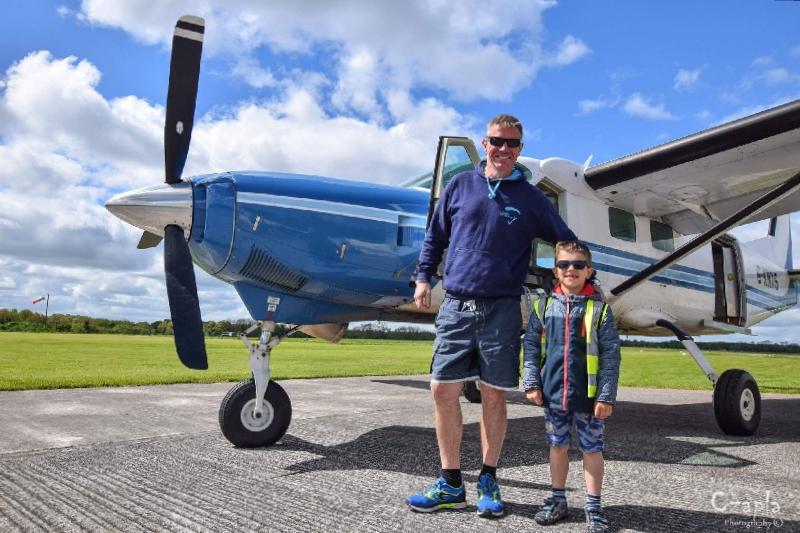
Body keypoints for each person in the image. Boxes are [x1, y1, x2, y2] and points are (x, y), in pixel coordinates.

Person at [407, 114, 577, 518]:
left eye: (512, 144)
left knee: (494, 395)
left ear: (520, 149)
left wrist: (579, 279)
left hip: (502, 308)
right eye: (496, 142)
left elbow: (567, 240)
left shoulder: (532, 198)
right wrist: (423, 277)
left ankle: (488, 478)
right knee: (441, 390)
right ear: (485, 144)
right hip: (456, 305)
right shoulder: (460, 185)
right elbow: (436, 235)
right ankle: (450, 483)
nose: (503, 150)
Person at [522, 241, 621, 533]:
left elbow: (611, 356)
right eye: (564, 264)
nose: (571, 270)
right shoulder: (542, 308)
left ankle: (593, 506)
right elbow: (530, 349)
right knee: (557, 446)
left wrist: (605, 395)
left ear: (588, 271)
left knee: (592, 449)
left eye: (578, 265)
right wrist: (531, 382)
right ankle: (558, 499)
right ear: (555, 271)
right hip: (553, 395)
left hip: (589, 398)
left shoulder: (600, 311)